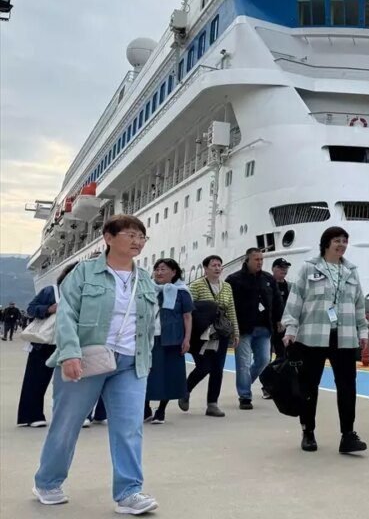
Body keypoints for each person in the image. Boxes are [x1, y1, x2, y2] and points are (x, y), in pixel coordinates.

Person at [33, 215, 160, 514]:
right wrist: (69, 354)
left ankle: (129, 492)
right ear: (108, 237)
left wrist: (146, 358)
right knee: (66, 425)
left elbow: (149, 323)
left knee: (129, 428)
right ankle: (47, 482)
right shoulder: (84, 272)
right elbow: (66, 314)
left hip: (130, 363)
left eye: (141, 237)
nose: (137, 241)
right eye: (130, 235)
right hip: (85, 358)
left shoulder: (145, 279)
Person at [281, 227, 368, 453]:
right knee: (309, 385)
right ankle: (308, 431)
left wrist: (363, 332)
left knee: (347, 386)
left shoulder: (351, 271)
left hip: (344, 336)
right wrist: (291, 328)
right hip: (312, 335)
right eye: (337, 240)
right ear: (326, 243)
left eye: (345, 241)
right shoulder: (309, 268)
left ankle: (348, 435)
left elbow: (359, 304)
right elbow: (295, 299)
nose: (342, 245)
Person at [17, 263, 78, 427]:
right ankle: (32, 416)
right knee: (36, 379)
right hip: (45, 342)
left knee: (72, 381)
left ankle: (72, 416)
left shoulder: (85, 293)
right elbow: (31, 309)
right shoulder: (51, 291)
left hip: (71, 342)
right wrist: (48, 309)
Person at [182, 255, 238, 417]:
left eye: (219, 265)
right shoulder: (196, 286)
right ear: (205, 268)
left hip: (220, 333)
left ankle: (212, 404)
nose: (217, 268)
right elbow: (188, 309)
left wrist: (235, 332)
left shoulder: (226, 287)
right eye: (213, 265)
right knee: (204, 366)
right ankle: (185, 390)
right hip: (201, 334)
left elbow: (231, 309)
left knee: (218, 368)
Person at [227, 248, 282, 410]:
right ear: (247, 260)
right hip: (243, 328)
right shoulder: (234, 279)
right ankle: (245, 396)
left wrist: (279, 319)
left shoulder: (268, 279)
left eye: (261, 259)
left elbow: (277, 300)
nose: (260, 262)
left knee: (264, 360)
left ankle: (245, 383)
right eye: (256, 259)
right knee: (243, 363)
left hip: (264, 327)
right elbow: (229, 304)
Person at [143, 259, 192, 424]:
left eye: (163, 269)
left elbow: (187, 316)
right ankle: (145, 408)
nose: (159, 272)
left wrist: (187, 339)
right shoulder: (147, 289)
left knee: (170, 375)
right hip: (149, 337)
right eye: (157, 269)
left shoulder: (182, 292)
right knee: (147, 374)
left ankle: (161, 410)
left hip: (172, 338)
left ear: (174, 272)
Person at [270, 258, 291, 364]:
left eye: (286, 268)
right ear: (273, 268)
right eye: (281, 267)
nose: (284, 270)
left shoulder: (290, 286)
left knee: (283, 355)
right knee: (264, 356)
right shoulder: (267, 284)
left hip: (284, 326)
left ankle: (277, 373)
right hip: (268, 324)